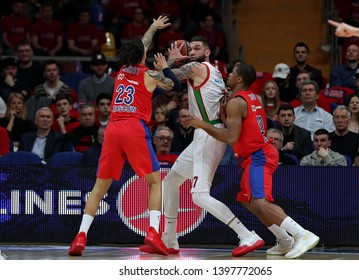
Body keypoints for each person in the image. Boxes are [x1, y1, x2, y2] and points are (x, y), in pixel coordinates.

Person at [140, 37, 266, 257]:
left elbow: (165, 81)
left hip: (208, 133)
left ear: (207, 53)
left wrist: (168, 62)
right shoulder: (215, 71)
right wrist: (174, 64)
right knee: (170, 182)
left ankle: (247, 235)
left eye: (197, 48)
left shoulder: (197, 67)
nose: (192, 51)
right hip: (206, 134)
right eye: (191, 49)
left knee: (199, 195)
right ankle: (170, 239)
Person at [184, 62, 320, 258]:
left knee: (260, 202)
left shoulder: (236, 103)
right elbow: (243, 129)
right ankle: (284, 240)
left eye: (231, 73)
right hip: (256, 154)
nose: (228, 75)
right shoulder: (253, 98)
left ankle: (302, 234)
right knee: (250, 202)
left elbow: (231, 138)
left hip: (258, 155)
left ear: (239, 79)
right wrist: (225, 115)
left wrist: (202, 124)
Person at [68, 15, 178, 257]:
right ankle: (152, 231)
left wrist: (152, 28)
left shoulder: (121, 71)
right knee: (155, 181)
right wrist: (166, 67)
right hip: (133, 128)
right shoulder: (149, 75)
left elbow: (142, 44)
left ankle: (80, 236)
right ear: (142, 56)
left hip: (113, 129)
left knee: (99, 187)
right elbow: (173, 85)